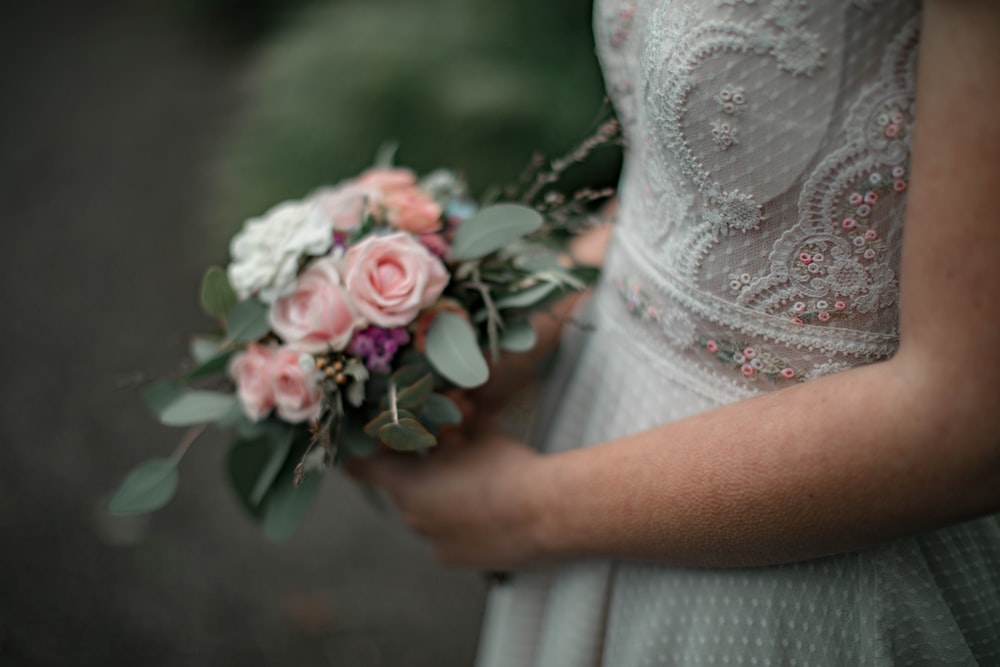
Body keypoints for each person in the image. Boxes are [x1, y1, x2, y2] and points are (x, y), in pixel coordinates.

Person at [349, 0, 1000, 664]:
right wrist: (526, 317)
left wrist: (523, 509)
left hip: (800, 552)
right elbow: (682, 188)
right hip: (601, 427)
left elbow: (969, 419)